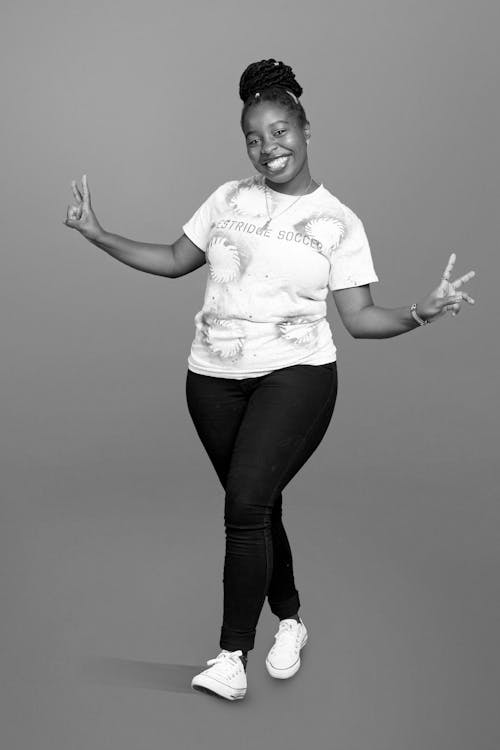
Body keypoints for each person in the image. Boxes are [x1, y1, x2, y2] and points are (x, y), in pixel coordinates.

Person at [63, 58, 476, 702]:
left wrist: (422, 310)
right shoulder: (228, 198)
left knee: (244, 505)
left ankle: (232, 656)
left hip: (297, 377)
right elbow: (175, 260)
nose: (268, 148)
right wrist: (97, 233)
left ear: (306, 130)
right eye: (254, 138)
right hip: (213, 380)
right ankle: (292, 621)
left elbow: (361, 318)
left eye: (280, 131)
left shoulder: (339, 221)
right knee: (258, 505)